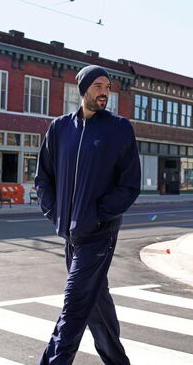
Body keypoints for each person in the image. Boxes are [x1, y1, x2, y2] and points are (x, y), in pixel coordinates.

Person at [35, 64, 141, 365]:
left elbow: (130, 184)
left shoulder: (119, 129)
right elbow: (43, 178)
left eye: (108, 87)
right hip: (70, 235)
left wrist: (98, 215)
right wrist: (56, 213)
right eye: (98, 86)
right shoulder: (59, 129)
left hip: (99, 234)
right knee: (97, 305)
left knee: (74, 305)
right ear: (83, 90)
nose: (105, 92)